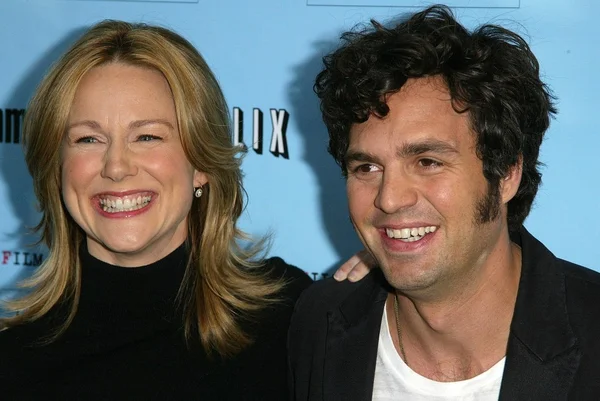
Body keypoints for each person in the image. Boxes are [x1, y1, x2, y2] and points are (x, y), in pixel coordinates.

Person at [0, 20, 366, 400]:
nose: (116, 166)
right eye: (88, 138)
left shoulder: (289, 317)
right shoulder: (13, 359)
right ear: (56, 166)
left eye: (147, 136)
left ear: (201, 163)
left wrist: (391, 282)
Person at [288, 5, 600, 400]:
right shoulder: (322, 320)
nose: (389, 198)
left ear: (505, 174)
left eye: (428, 162)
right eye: (367, 167)